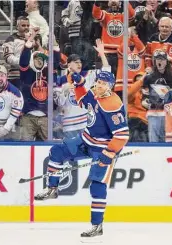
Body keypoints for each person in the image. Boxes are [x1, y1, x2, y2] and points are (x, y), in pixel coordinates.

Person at [35, 70, 129, 237]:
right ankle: (52, 188)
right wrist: (79, 84)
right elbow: (81, 101)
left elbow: (122, 135)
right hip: (86, 140)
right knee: (57, 151)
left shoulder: (113, 105)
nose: (99, 85)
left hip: (103, 148)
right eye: (98, 81)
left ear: (110, 87)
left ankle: (97, 225)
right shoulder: (94, 93)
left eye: (103, 83)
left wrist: (108, 154)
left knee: (97, 185)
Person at [0, 65, 24, 140]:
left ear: (6, 76)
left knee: (5, 147)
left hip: (5, 123)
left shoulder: (15, 93)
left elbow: (14, 114)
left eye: (2, 75)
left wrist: (6, 128)